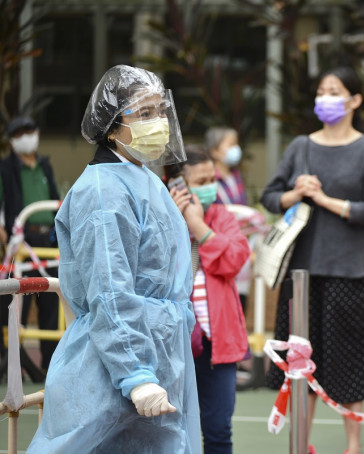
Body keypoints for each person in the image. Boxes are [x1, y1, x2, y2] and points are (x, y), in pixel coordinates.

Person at [27, 65, 201, 453]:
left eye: (160, 111)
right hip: (113, 367)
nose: (158, 123)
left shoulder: (144, 180)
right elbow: (109, 292)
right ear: (111, 125)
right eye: (144, 114)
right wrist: (136, 375)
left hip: (157, 353)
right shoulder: (104, 192)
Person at [261, 66, 364, 454]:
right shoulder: (300, 146)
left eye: (334, 91)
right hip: (300, 277)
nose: (326, 98)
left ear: (355, 100)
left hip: (347, 274)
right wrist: (295, 192)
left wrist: (325, 200)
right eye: (321, 91)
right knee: (300, 362)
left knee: (350, 364)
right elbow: (271, 196)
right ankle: (302, 442)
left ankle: (353, 447)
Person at [166, 146, 250, 454]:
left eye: (211, 178)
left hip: (218, 345)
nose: (209, 186)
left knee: (218, 430)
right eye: (200, 181)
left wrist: (198, 226)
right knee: (172, 430)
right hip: (175, 344)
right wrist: (175, 221)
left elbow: (234, 259)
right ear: (179, 186)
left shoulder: (222, 217)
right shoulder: (163, 219)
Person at [0, 116, 60, 375]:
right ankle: (14, 363)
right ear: (12, 140)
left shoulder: (45, 166)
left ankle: (51, 367)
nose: (26, 136)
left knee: (51, 304)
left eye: (29, 130)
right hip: (21, 243)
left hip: (48, 241)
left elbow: (55, 200)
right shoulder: (5, 168)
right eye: (19, 132)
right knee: (18, 303)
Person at [205, 127, 253, 315]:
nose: (236, 149)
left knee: (241, 303)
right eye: (231, 145)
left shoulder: (236, 176)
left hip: (240, 244)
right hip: (221, 248)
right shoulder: (209, 180)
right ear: (215, 151)